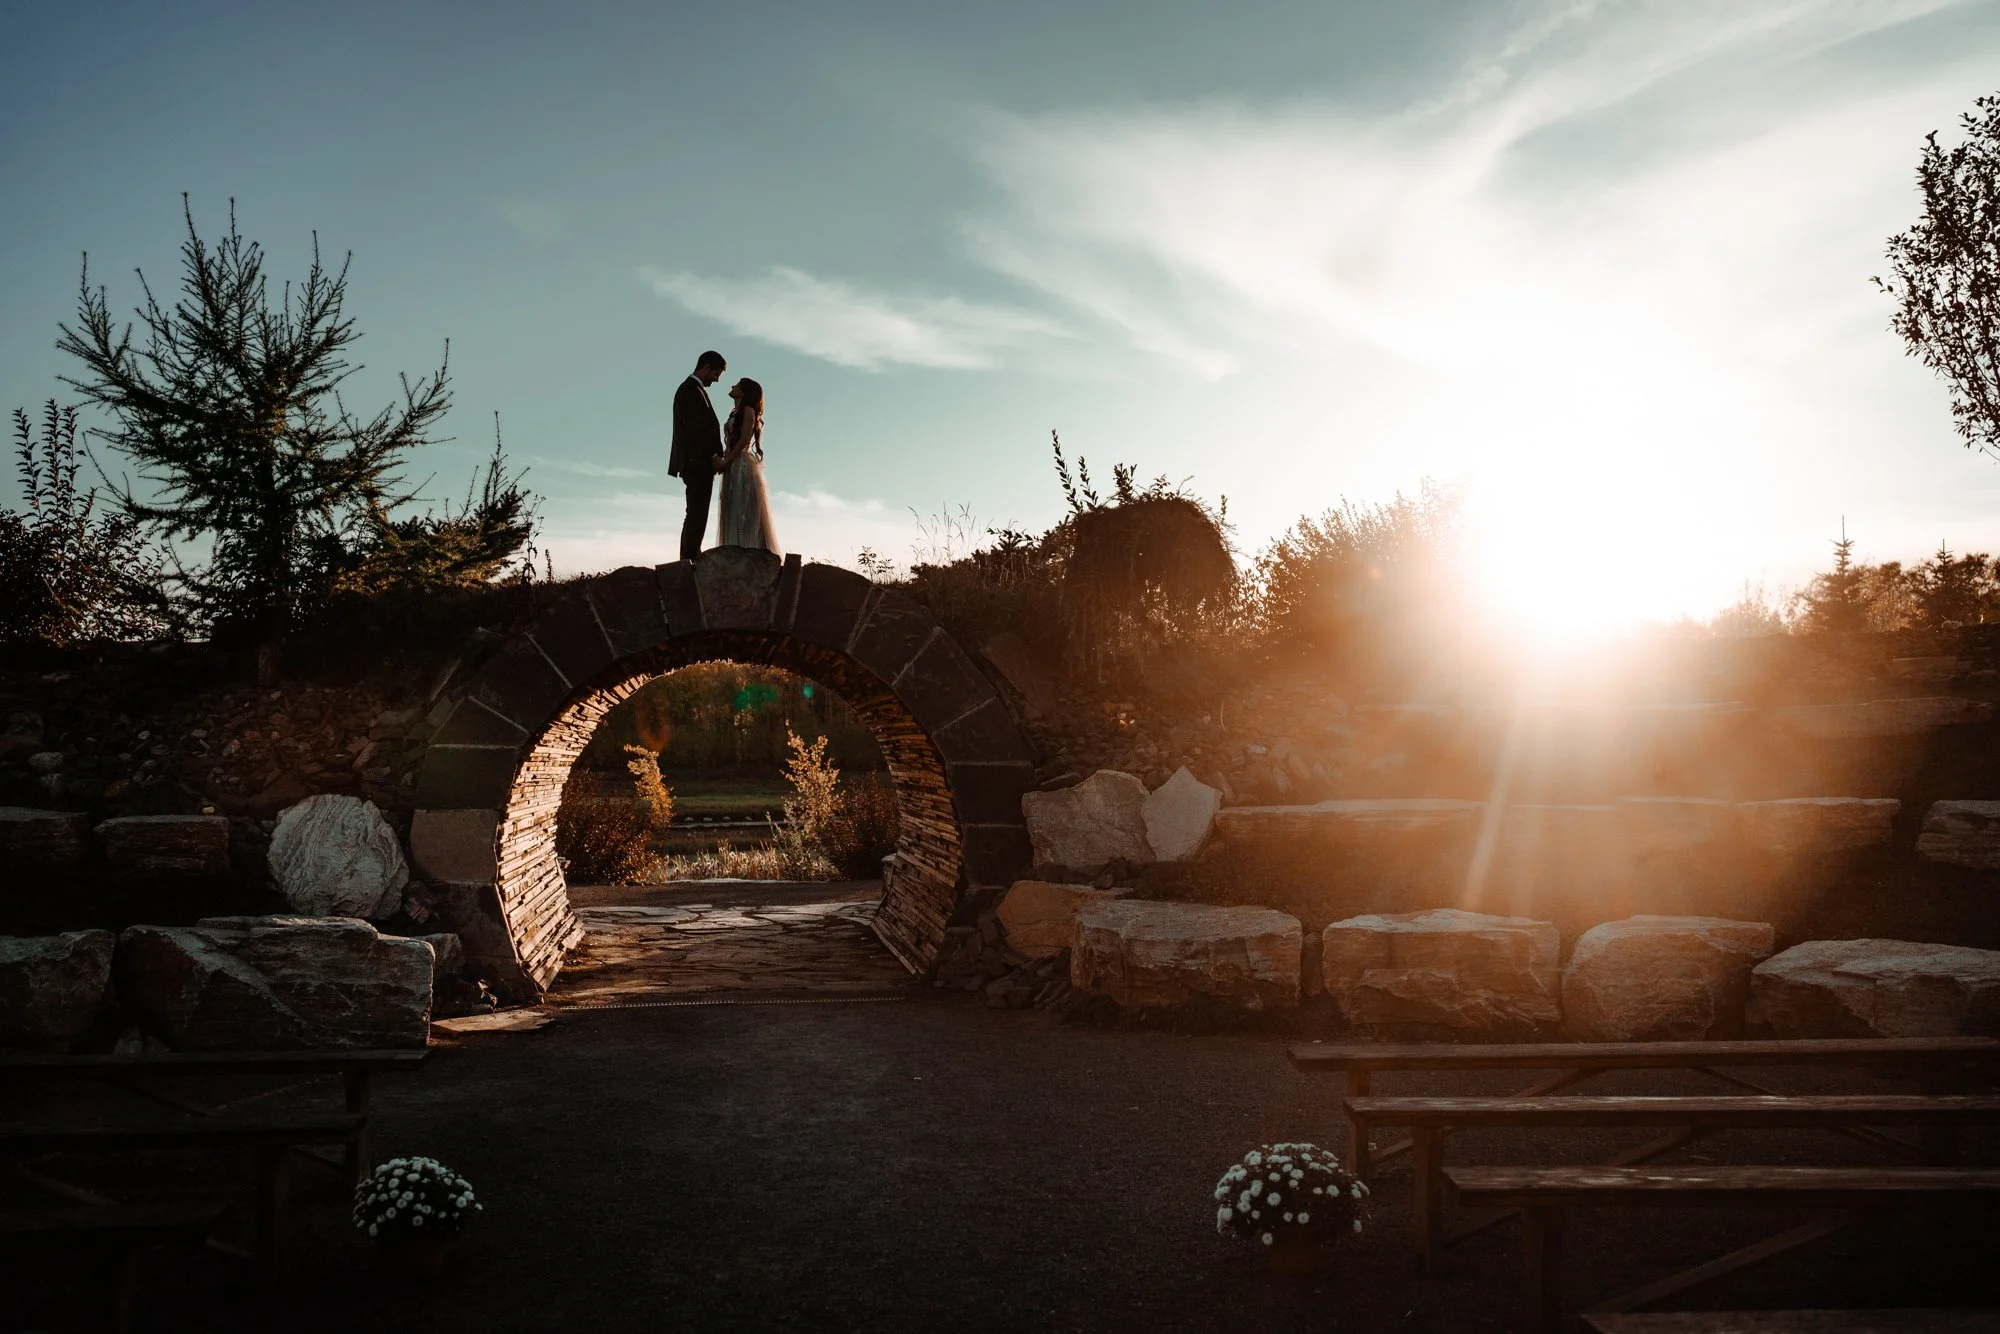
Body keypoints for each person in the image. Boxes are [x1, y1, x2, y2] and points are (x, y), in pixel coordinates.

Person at [667, 350, 727, 560]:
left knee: (697, 512)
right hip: (696, 462)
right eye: (716, 373)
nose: (717, 379)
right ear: (706, 367)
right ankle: (690, 558)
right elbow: (697, 429)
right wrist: (713, 456)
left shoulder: (693, 390)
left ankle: (691, 555)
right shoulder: (690, 391)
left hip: (696, 461)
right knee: (696, 512)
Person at [717, 377, 781, 555]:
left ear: (744, 391)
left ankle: (746, 549)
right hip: (732, 462)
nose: (732, 386)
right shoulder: (736, 412)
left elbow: (745, 439)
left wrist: (726, 460)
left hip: (740, 465)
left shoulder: (748, 410)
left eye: (736, 385)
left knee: (742, 507)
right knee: (733, 507)